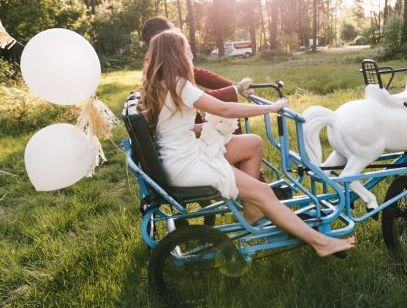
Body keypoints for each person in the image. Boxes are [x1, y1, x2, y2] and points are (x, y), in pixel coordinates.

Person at [140, 29, 355, 258]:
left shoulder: (160, 84)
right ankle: (321, 243)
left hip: (180, 158)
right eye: (188, 50)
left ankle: (252, 210)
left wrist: (202, 127)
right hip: (187, 164)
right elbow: (223, 108)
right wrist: (269, 108)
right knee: (264, 191)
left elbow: (171, 126)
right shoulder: (178, 84)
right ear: (177, 55)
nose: (191, 54)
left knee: (252, 143)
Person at [141, 17, 253, 106]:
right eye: (173, 33)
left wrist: (235, 86)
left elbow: (201, 75)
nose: (177, 35)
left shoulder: (159, 62)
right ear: (162, 38)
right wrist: (236, 89)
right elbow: (194, 98)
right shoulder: (162, 67)